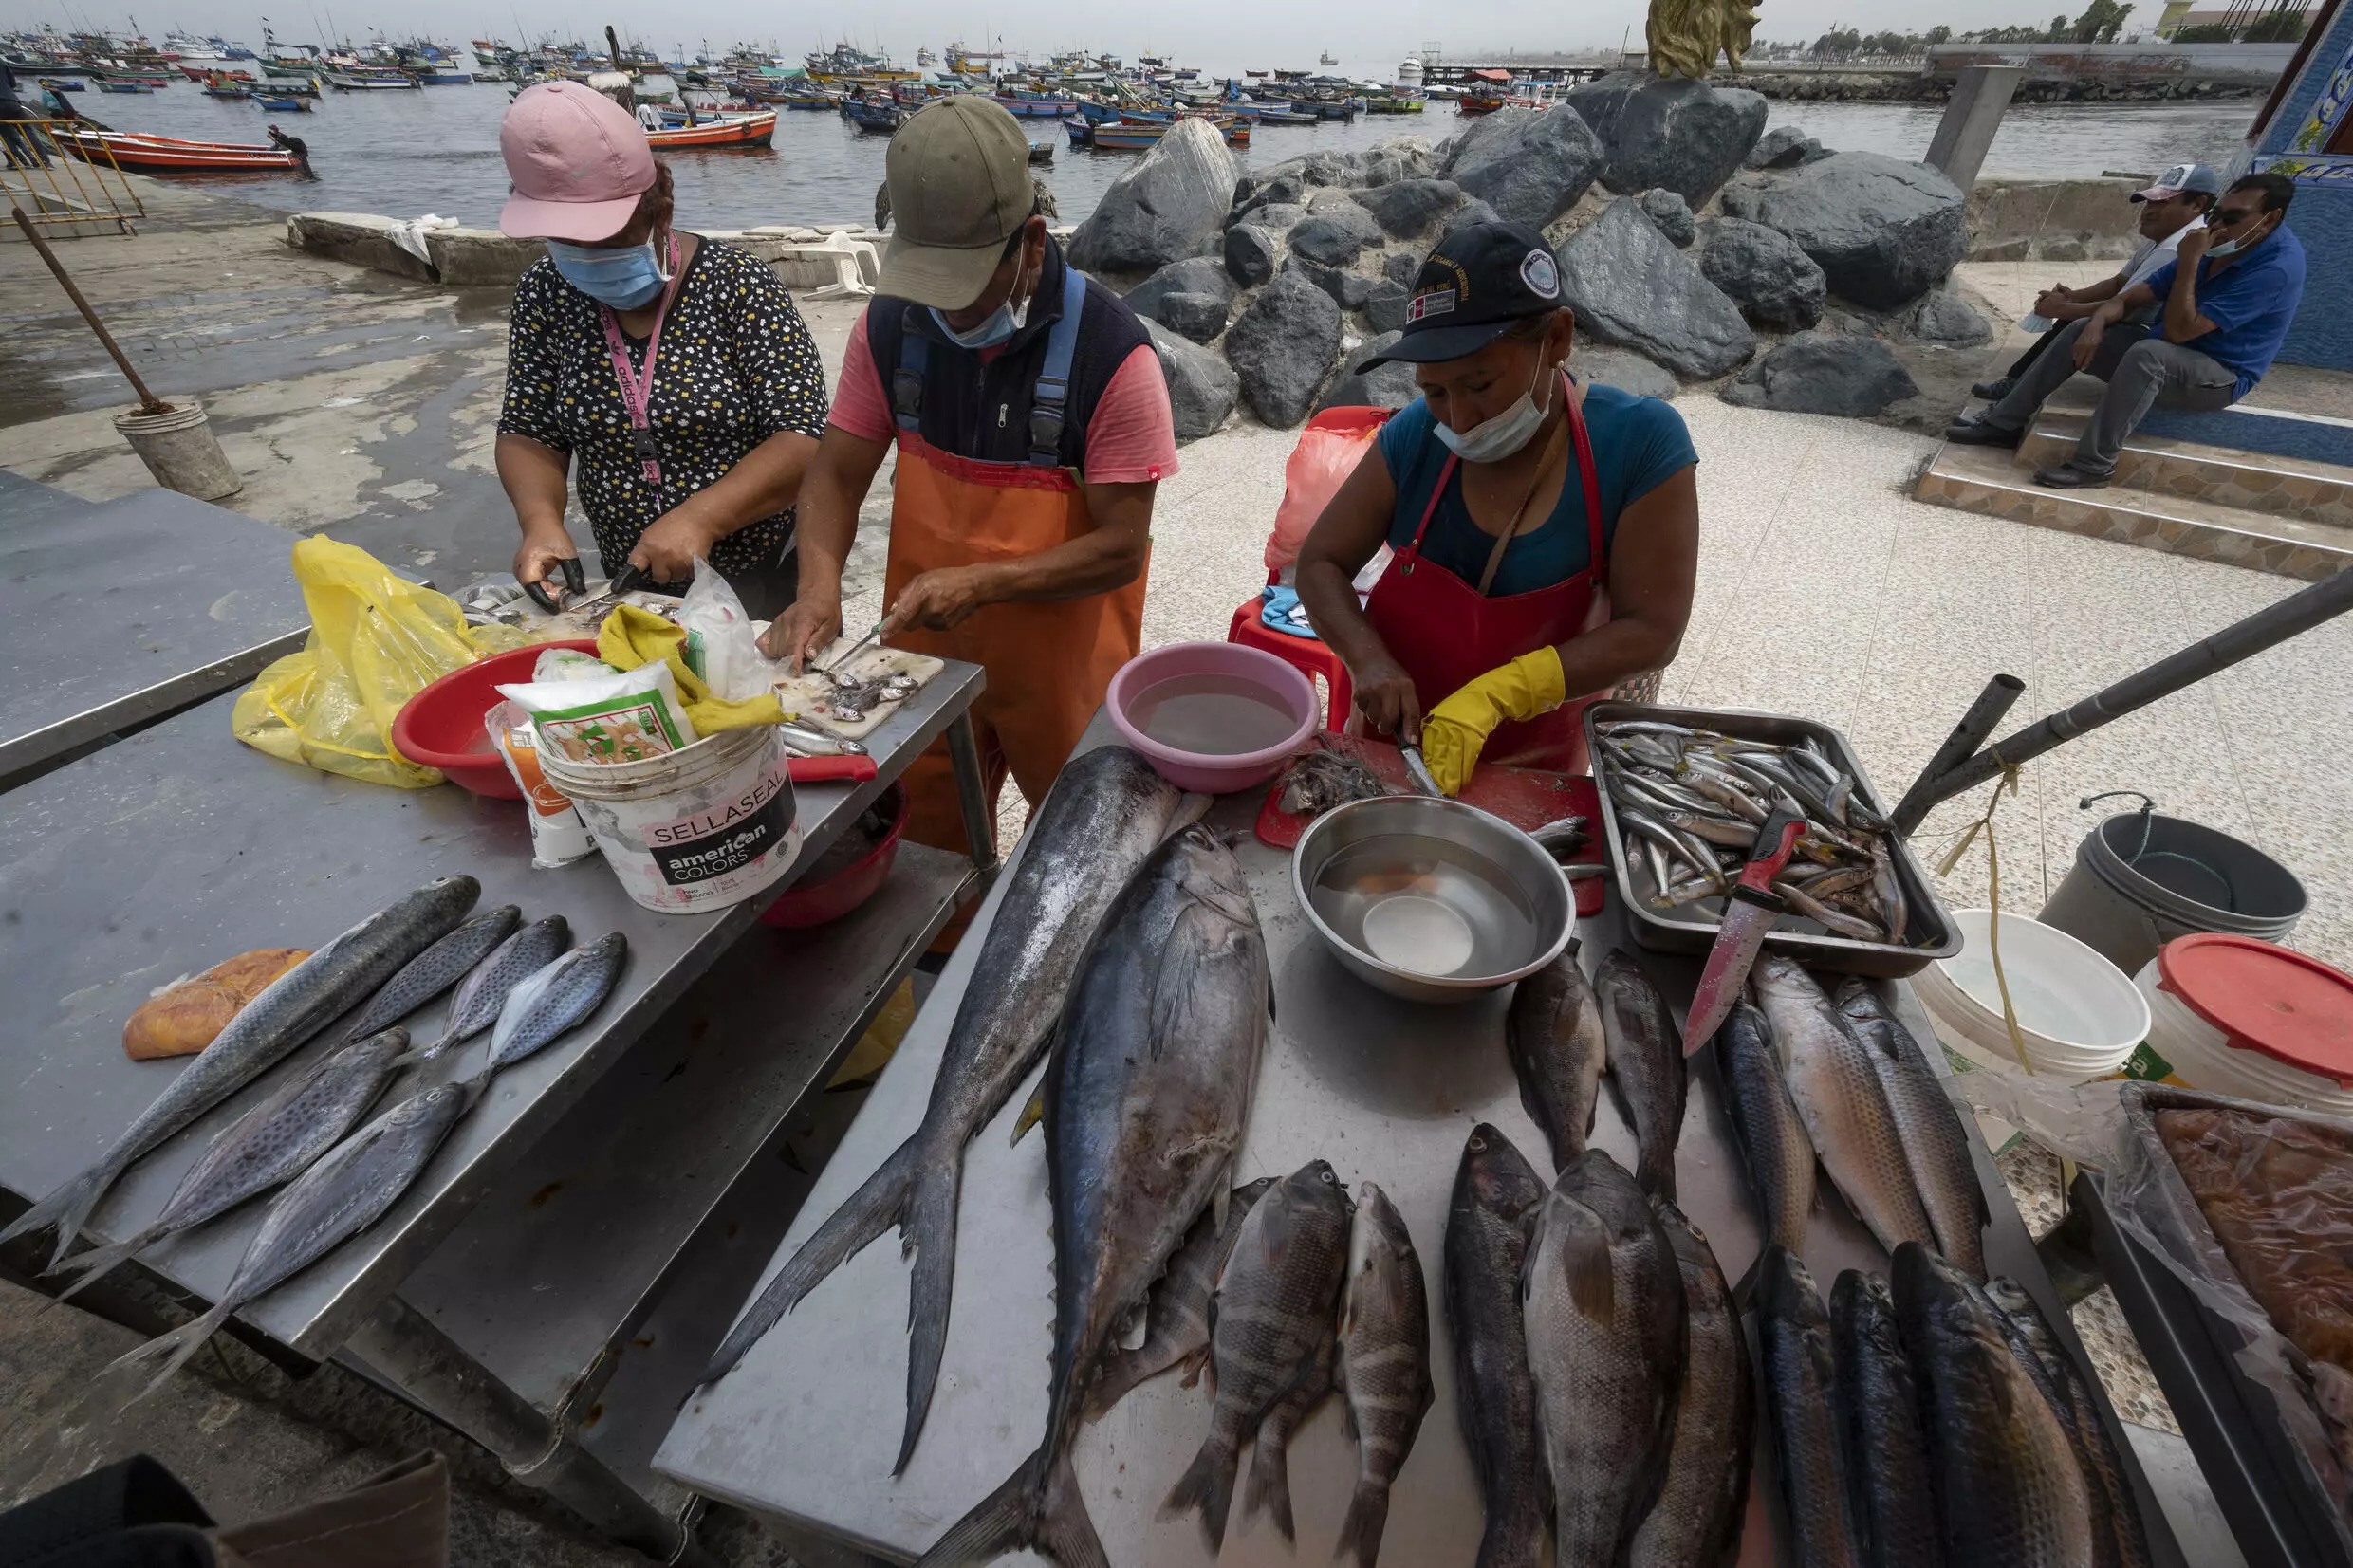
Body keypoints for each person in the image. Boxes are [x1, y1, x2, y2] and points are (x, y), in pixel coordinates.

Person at [756, 96, 1175, 855]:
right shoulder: (888, 326)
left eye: (967, 283)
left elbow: (1122, 546)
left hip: (1065, 674)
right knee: (928, 858)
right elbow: (835, 476)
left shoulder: (1114, 357)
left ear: (1032, 243)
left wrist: (982, 582)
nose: (945, 311)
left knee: (1078, 854)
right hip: (921, 661)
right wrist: (817, 585)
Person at [1293, 220, 1700, 793]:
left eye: (1480, 384)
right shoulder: (1413, 437)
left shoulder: (1640, 444)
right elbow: (1320, 564)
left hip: (1536, 773)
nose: (1458, 418)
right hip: (1393, 755)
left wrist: (1500, 693)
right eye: (1434, 391)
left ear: (1556, 339)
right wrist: (1366, 659)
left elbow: (1654, 630)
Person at [492, 81, 827, 618]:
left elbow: (804, 437)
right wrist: (539, 521)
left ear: (659, 213)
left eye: (607, 241)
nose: (586, 258)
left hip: (755, 572)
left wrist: (704, 518)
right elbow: (529, 428)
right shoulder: (544, 292)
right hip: (629, 576)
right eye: (567, 243)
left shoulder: (737, 285)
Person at [1946, 172, 2306, 490]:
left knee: (2149, 355)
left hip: (2218, 377)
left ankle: (2094, 466)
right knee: (2084, 327)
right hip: (2169, 350)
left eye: (2233, 218)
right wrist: (2097, 322)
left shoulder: (2274, 270)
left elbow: (2182, 332)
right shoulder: (2215, 242)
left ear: (2270, 219)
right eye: (2216, 215)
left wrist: (2191, 261)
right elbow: (2130, 297)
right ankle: (2003, 424)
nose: (2219, 226)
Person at [1973, 161, 2221, 401]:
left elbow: (2129, 305)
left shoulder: (2176, 247)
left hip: (2151, 336)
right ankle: (2017, 384)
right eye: (2149, 202)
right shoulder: (2165, 237)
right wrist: (2072, 297)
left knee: (2077, 323)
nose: (2149, 210)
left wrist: (2064, 309)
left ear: (2198, 205)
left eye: (2163, 203)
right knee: (2072, 316)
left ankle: (2018, 392)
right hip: (2134, 322)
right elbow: (2117, 283)